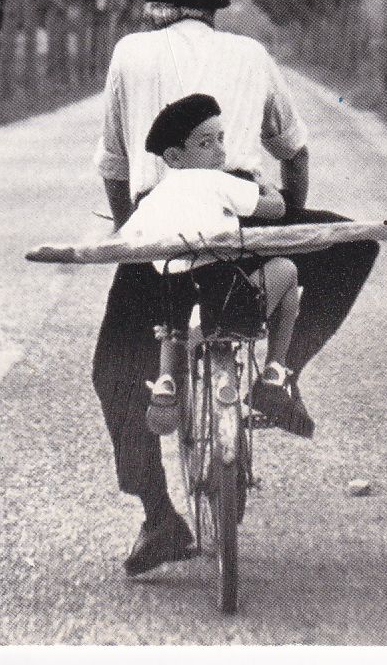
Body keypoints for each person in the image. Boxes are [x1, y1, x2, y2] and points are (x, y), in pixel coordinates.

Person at [92, 0, 380, 577]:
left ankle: (159, 518)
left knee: (115, 369)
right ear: (210, 16)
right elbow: (294, 150)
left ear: (154, 14)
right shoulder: (251, 53)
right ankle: (284, 371)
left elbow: (116, 168)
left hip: (158, 226)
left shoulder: (129, 53)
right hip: (245, 223)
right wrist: (291, 219)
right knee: (355, 246)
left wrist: (135, 236)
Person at [118, 92, 308, 436]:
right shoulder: (218, 181)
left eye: (221, 139)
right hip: (226, 297)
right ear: (175, 156)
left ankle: (166, 382)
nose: (220, 150)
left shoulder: (155, 196)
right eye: (207, 143)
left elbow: (125, 240)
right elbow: (275, 210)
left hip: (174, 302)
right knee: (288, 270)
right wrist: (268, 190)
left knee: (171, 299)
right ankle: (274, 372)